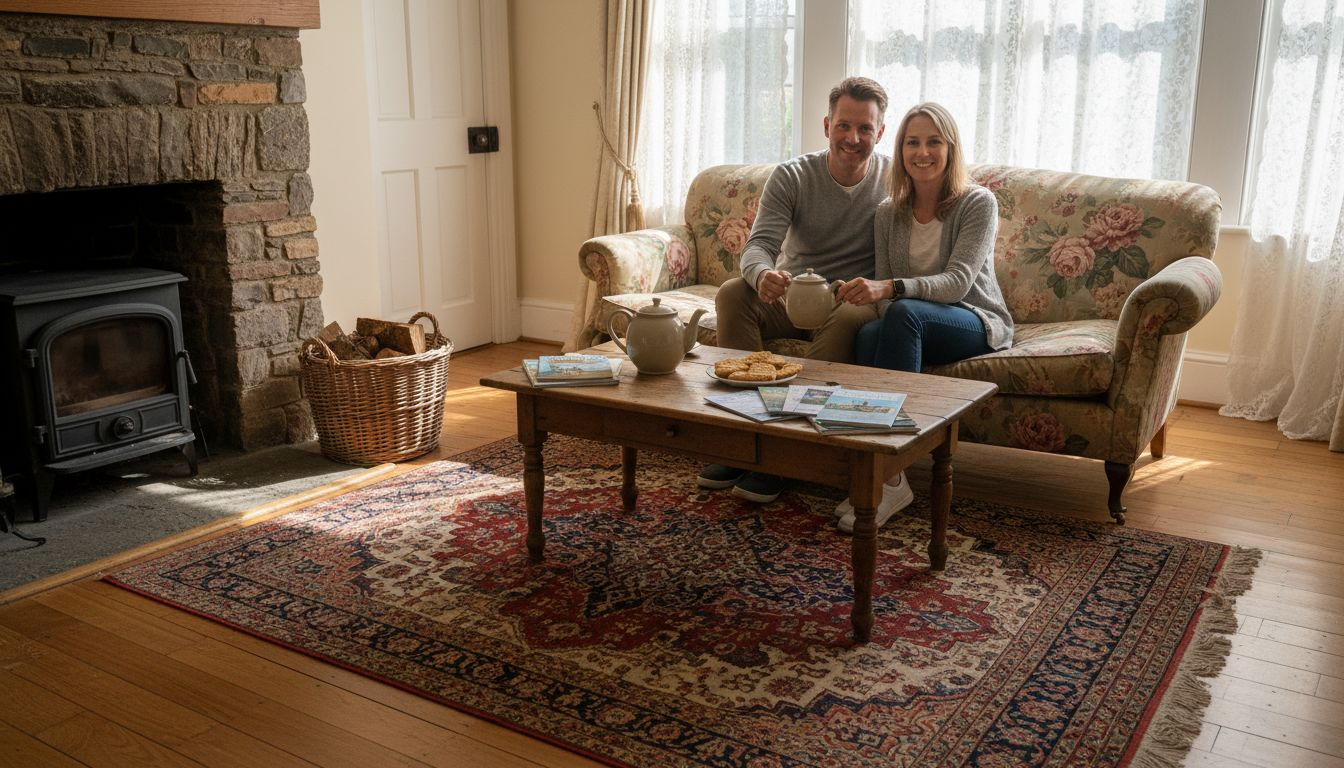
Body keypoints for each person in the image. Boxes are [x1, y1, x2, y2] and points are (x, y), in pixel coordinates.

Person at [700, 76, 893, 504]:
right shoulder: (793, 175)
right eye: (844, 126)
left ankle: (788, 453)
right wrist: (762, 275)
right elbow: (759, 246)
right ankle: (745, 439)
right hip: (792, 296)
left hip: (850, 302)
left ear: (880, 133)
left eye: (865, 129)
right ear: (827, 126)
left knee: (847, 318)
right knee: (733, 293)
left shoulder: (896, 181)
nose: (853, 138)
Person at [829, 101, 1013, 533]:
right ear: (900, 149)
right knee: (870, 333)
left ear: (950, 148)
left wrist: (891, 288)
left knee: (904, 312)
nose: (922, 152)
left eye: (933, 142)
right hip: (910, 319)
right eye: (912, 142)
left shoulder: (977, 203)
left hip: (972, 318)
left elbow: (958, 283)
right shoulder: (888, 212)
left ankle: (891, 473)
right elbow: (882, 291)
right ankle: (873, 464)